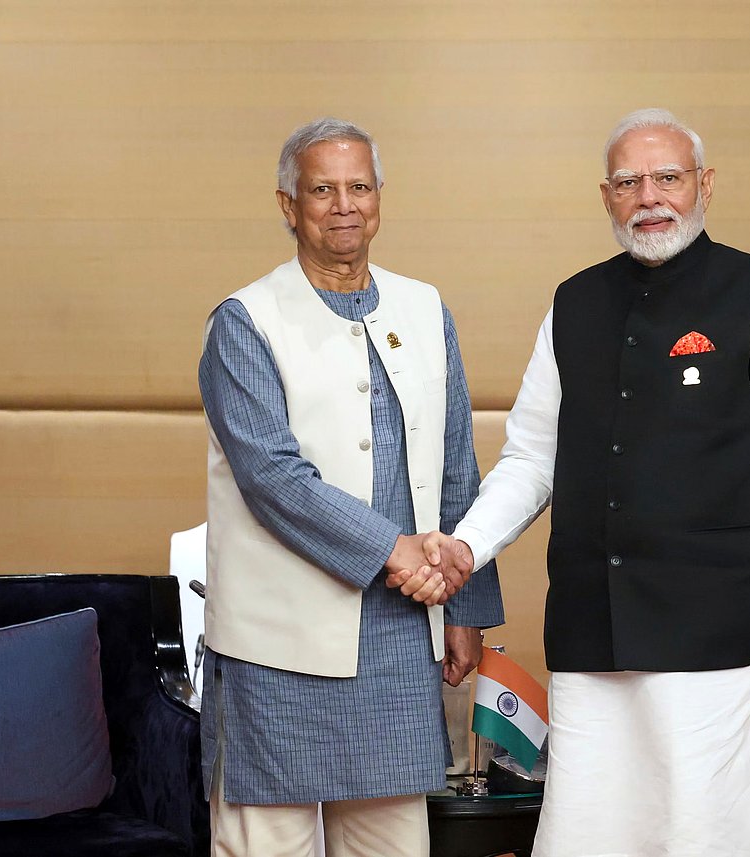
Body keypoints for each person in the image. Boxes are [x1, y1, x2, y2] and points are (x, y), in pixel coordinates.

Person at [416, 108, 750, 856]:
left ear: (704, 185)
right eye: (629, 181)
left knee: (708, 839)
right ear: (606, 196)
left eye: (668, 177)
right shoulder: (573, 302)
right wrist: (465, 546)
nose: (649, 196)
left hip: (726, 644)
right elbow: (529, 458)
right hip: (595, 637)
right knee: (588, 838)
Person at [198, 116, 503, 857]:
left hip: (399, 641)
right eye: (322, 189)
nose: (344, 205)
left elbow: (458, 466)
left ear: (380, 197)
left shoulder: (426, 309)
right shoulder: (244, 320)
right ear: (287, 204)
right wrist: (397, 552)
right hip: (276, 649)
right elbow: (273, 477)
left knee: (393, 845)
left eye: (359, 186)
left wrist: (468, 608)